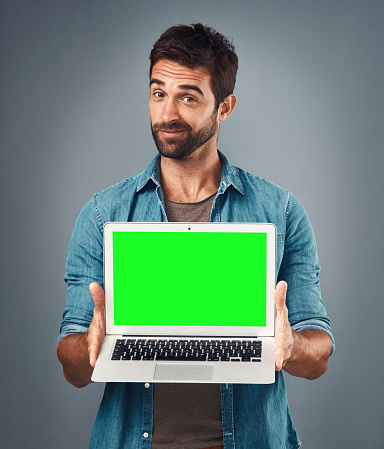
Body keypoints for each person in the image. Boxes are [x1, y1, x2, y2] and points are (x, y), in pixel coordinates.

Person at [57, 23, 334, 449]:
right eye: (158, 93)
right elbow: (73, 367)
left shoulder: (280, 212)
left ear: (224, 107)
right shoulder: (102, 214)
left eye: (188, 97)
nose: (167, 113)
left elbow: (318, 357)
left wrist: (292, 345)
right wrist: (92, 347)